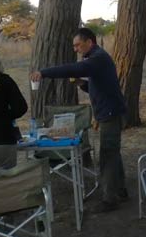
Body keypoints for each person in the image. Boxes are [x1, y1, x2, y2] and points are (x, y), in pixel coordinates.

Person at [31, 28, 128, 212]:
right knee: (113, 153)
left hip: (111, 113)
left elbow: (74, 68)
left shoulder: (97, 58)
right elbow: (98, 86)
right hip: (109, 111)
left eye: (77, 45)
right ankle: (120, 191)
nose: (75, 49)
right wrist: (83, 84)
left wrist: (44, 73)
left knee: (107, 155)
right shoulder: (96, 58)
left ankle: (110, 200)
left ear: (89, 42)